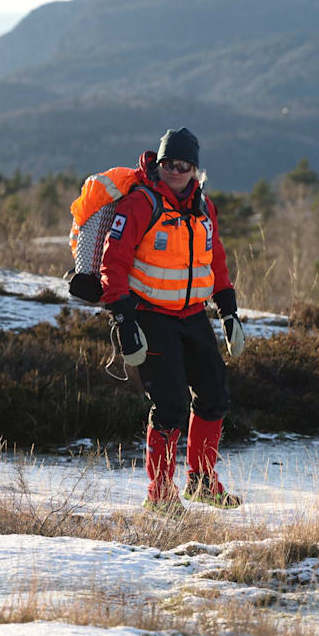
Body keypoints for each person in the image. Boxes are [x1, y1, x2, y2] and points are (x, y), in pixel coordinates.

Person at [99, 126, 247, 515]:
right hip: (150, 315)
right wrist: (123, 319)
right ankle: (160, 495)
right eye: (169, 163)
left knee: (214, 395)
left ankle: (201, 482)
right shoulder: (140, 204)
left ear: (196, 169)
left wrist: (228, 310)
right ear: (159, 163)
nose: (176, 170)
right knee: (169, 404)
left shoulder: (204, 207)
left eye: (184, 164)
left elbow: (215, 260)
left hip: (194, 314)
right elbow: (112, 263)